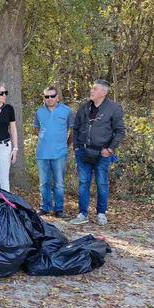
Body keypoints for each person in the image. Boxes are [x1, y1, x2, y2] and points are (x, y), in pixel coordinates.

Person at [70, 80, 126, 226]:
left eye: (95, 89)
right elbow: (75, 129)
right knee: (83, 183)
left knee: (102, 183)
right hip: (83, 152)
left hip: (103, 154)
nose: (91, 91)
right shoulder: (84, 108)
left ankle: (101, 213)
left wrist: (110, 149)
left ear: (104, 92)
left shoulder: (114, 108)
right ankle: (82, 213)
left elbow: (120, 131)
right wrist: (76, 147)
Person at [33, 86, 74, 218]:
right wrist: (45, 139)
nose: (49, 99)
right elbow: (36, 129)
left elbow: (73, 130)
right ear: (43, 98)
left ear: (57, 97)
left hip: (60, 153)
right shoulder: (39, 112)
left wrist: (66, 144)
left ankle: (59, 209)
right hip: (42, 153)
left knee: (59, 183)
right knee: (44, 183)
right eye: (47, 96)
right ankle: (45, 207)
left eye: (52, 96)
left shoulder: (67, 111)